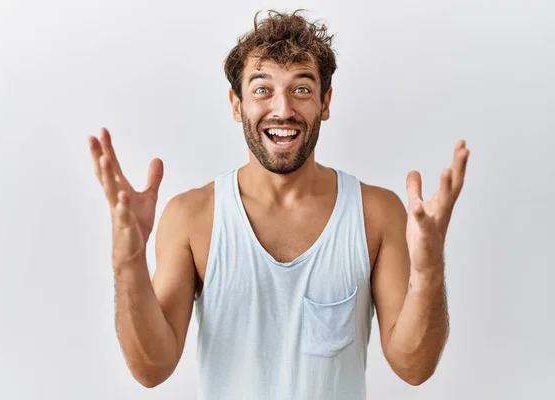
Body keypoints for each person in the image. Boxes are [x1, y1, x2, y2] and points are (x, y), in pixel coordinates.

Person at [88, 10, 469, 400]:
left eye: (301, 89)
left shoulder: (376, 214)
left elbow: (414, 367)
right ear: (236, 105)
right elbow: (152, 368)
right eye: (262, 89)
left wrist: (429, 266)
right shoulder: (192, 217)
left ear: (326, 102)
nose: (283, 109)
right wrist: (127, 258)